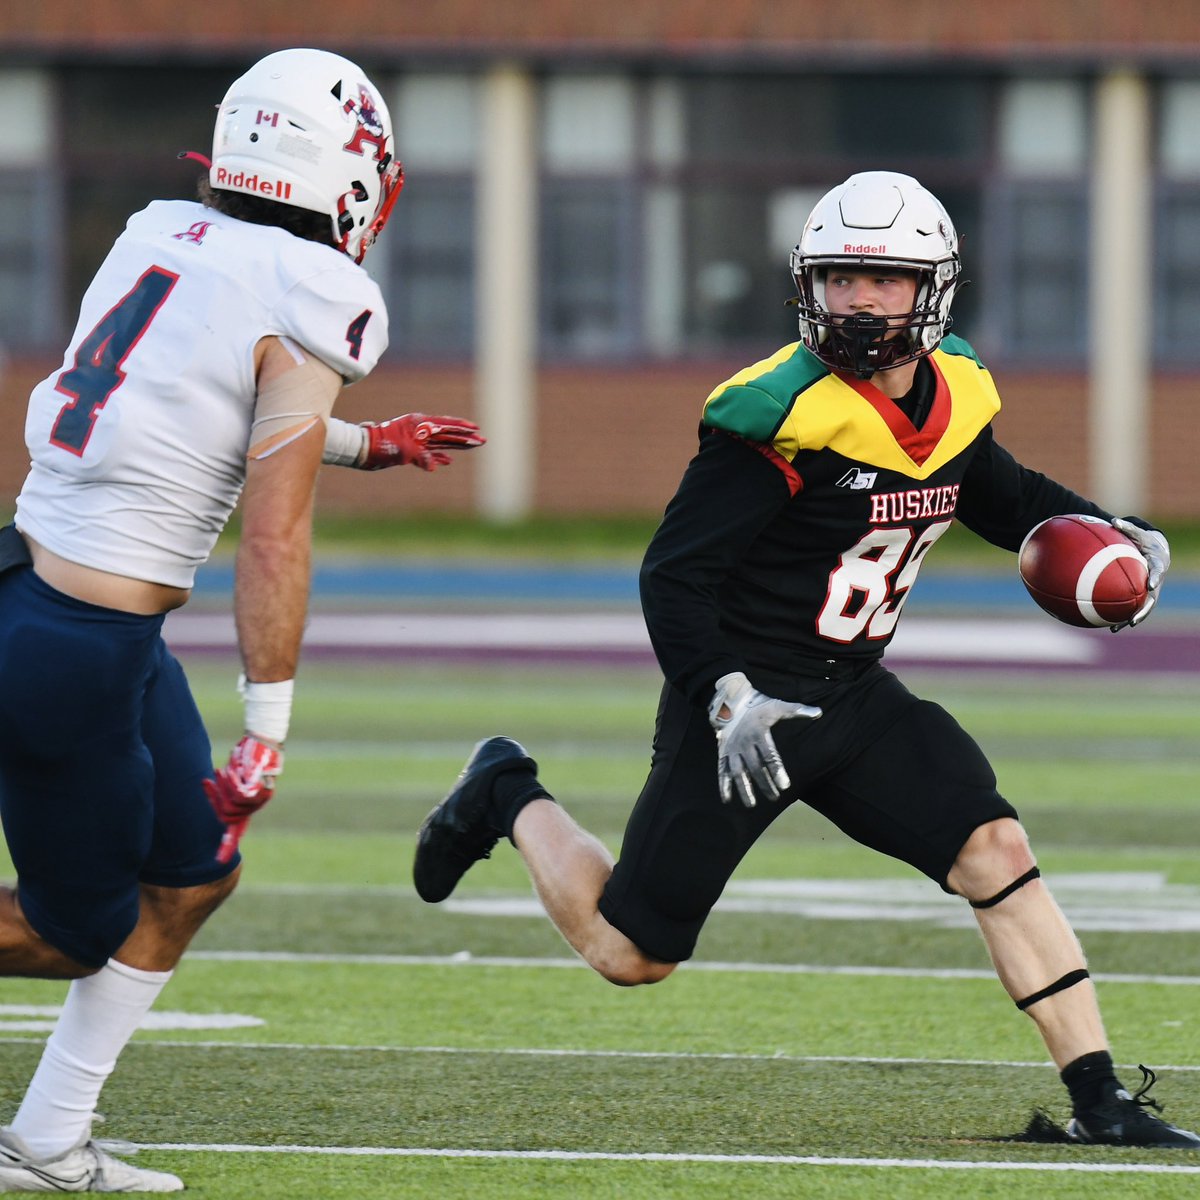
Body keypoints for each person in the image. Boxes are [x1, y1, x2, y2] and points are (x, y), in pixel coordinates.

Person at [413, 170, 1198, 1149]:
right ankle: (505, 790)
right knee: (631, 952)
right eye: (840, 278)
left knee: (995, 851)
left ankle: (1101, 1101)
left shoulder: (955, 390)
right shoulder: (780, 414)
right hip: (751, 705)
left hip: (856, 696)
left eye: (885, 280)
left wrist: (1107, 531)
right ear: (808, 284)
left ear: (935, 290)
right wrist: (724, 696)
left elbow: (1002, 495)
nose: (859, 301)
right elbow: (673, 577)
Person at [0, 48, 483, 1192]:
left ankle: (46, 1140)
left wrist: (367, 443)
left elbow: (182, 403)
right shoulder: (314, 292)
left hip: (44, 595)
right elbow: (273, 536)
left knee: (194, 873)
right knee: (68, 931)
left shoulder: (159, 232)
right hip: (75, 647)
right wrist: (267, 727)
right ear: (350, 178)